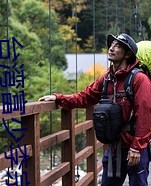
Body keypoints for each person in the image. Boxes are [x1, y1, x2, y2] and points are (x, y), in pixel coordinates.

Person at [38, 33, 151, 186]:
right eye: (111, 45)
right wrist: (58, 98)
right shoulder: (106, 79)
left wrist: (137, 148)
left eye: (117, 46)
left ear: (128, 54)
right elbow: (85, 97)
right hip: (114, 147)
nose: (111, 48)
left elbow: (145, 114)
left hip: (134, 147)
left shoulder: (139, 79)